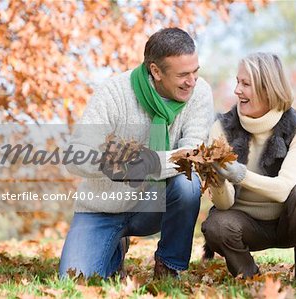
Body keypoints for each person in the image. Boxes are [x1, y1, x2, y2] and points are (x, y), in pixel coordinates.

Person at [59, 28, 214, 279]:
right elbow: (76, 156)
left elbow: (191, 156)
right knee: (76, 278)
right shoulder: (114, 92)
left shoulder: (199, 93)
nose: (192, 81)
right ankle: (115, 246)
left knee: (188, 183)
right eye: (183, 74)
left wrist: (148, 163)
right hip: (103, 207)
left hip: (154, 203)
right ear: (155, 71)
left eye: (196, 71)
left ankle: (168, 264)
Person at [201, 52, 296, 286]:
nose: (237, 90)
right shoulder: (221, 128)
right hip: (244, 223)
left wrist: (240, 174)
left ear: (267, 88)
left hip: (289, 219)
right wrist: (219, 180)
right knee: (216, 225)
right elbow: (224, 205)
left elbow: (284, 189)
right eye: (237, 82)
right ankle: (251, 278)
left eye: (245, 84)